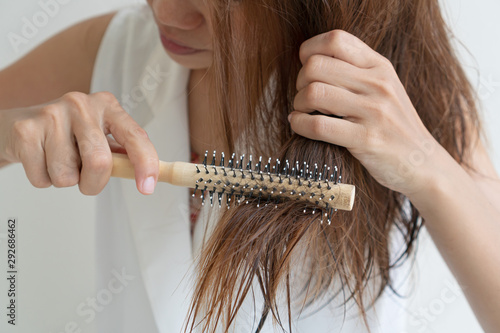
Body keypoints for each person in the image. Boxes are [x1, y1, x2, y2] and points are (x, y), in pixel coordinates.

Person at [0, 0, 499, 332]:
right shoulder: (116, 49)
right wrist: (12, 135)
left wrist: (427, 167)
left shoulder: (399, 88)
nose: (169, 12)